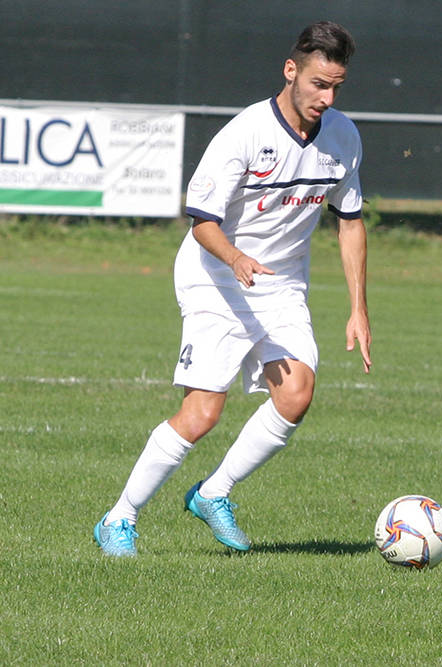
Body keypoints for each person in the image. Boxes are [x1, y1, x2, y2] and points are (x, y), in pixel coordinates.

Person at [93, 21, 371, 557]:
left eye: (336, 86)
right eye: (318, 83)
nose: (326, 97)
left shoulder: (343, 137)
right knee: (202, 413)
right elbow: (201, 222)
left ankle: (213, 493)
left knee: (296, 394)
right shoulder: (244, 133)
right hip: (216, 276)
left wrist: (358, 308)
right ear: (291, 71)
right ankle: (118, 519)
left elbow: (351, 221)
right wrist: (238, 257)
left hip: (282, 283)